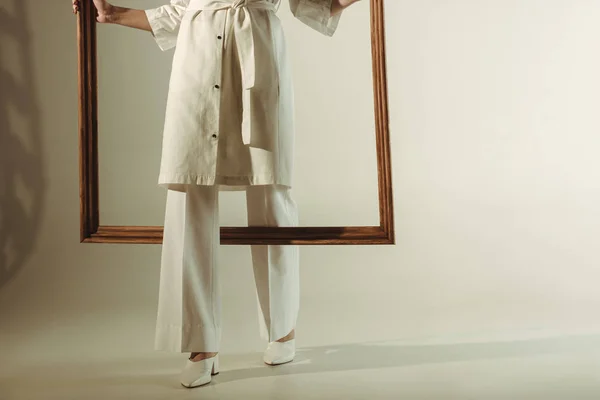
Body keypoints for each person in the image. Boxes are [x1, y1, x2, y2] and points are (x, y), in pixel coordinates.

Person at [72, 0, 360, 389]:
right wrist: (112, 14)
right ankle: (200, 342)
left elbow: (319, 4)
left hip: (257, 52)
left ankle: (282, 327)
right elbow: (179, 10)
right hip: (197, 57)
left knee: (270, 190)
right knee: (190, 190)